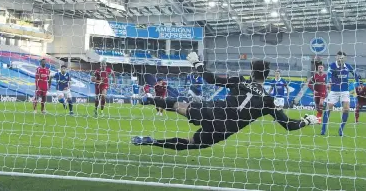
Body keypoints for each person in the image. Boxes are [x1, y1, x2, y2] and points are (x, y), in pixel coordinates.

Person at [132, 52, 318, 150]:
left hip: (213, 112)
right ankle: (152, 141)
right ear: (267, 76)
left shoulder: (239, 81)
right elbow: (288, 125)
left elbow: (211, 79)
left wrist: (197, 64)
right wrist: (307, 120)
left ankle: (149, 99)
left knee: (177, 105)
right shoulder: (268, 101)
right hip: (224, 129)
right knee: (190, 143)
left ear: (252, 73)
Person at [321, 51, 361, 136]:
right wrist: (327, 82)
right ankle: (323, 129)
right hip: (334, 91)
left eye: (342, 57)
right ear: (336, 57)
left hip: (345, 91)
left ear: (345, 58)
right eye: (338, 57)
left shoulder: (348, 66)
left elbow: (355, 75)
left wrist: (358, 84)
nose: (340, 59)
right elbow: (328, 74)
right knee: (328, 108)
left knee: (346, 109)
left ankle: (341, 129)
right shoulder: (332, 65)